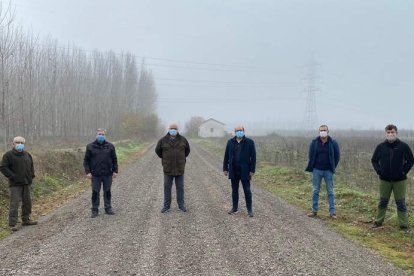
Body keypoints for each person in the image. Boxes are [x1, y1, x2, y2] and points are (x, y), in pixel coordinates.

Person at [371, 124, 414, 231]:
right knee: (383, 201)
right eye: (388, 132)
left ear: (396, 133)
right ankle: (378, 222)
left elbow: (411, 160)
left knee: (400, 203)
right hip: (384, 180)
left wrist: (404, 171)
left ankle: (403, 225)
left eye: (392, 132)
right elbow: (374, 160)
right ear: (386, 134)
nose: (390, 134)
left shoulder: (403, 146)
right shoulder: (380, 147)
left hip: (399, 181)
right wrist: (379, 171)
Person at [0, 136, 37, 232]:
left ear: (24, 144)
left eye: (21, 142)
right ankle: (12, 224)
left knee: (27, 202)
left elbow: (31, 166)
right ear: (13, 144)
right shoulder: (8, 155)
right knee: (14, 204)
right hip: (15, 184)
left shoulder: (27, 155)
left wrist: (31, 176)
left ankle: (26, 220)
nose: (19, 144)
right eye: (17, 142)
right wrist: (13, 176)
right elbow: (3, 167)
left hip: (26, 183)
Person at [305, 125, 340, 218]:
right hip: (317, 170)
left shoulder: (333, 143)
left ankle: (332, 213)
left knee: (330, 192)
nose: (323, 132)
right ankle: (314, 211)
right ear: (319, 132)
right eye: (321, 130)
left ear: (328, 131)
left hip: (328, 171)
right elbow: (311, 155)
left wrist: (333, 166)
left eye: (324, 130)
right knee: (315, 190)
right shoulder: (314, 143)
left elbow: (337, 156)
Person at [155, 123, 190, 213]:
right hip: (168, 169)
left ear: (177, 130)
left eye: (175, 129)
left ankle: (181, 206)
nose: (173, 130)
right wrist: (165, 159)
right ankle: (166, 207)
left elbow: (187, 151)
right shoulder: (163, 140)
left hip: (179, 169)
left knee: (180, 188)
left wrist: (181, 159)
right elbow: (158, 151)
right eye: (171, 128)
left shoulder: (183, 140)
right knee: (167, 188)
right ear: (169, 129)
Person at [83, 128, 118, 218]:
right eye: (99, 134)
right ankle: (94, 210)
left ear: (105, 135)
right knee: (95, 192)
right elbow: (86, 161)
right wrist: (88, 172)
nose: (101, 136)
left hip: (107, 173)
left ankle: (108, 208)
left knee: (107, 191)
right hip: (95, 174)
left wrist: (115, 171)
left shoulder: (110, 146)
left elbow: (114, 159)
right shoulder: (90, 146)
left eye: (102, 134)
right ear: (96, 135)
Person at [223, 126, 256, 217]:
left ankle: (249, 210)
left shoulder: (249, 142)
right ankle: (234, 208)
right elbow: (226, 156)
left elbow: (253, 157)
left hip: (245, 170)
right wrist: (225, 168)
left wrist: (252, 170)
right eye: (237, 131)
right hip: (233, 170)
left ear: (244, 131)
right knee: (234, 190)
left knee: (247, 190)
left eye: (240, 130)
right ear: (235, 132)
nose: (239, 132)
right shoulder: (230, 142)